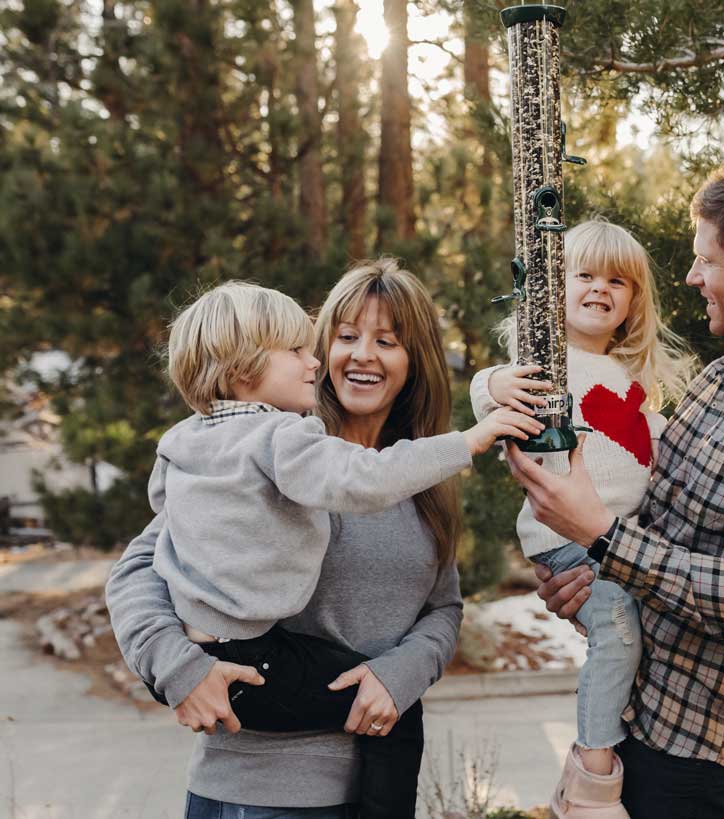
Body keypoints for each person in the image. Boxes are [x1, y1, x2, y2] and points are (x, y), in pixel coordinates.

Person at [107, 259, 521, 818]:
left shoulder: (421, 480)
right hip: (257, 790)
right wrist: (178, 668)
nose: (362, 355)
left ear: (414, 359)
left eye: (387, 341)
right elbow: (140, 571)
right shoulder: (271, 452)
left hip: (369, 786)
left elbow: (442, 609)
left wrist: (400, 675)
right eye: (345, 337)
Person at [506, 158, 724, 819]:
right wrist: (587, 570)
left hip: (705, 764)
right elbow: (654, 522)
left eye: (707, 261)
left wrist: (602, 536)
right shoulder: (723, 378)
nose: (691, 278)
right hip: (640, 725)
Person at [470, 219, 695, 818]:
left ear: (634, 299)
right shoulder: (547, 363)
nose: (601, 288)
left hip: (625, 541)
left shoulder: (636, 382)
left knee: (640, 639)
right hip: (566, 540)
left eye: (618, 280)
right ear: (555, 289)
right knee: (619, 626)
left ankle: (613, 736)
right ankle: (592, 779)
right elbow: (484, 393)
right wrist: (495, 380)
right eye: (585, 274)